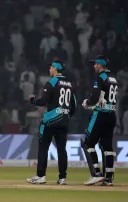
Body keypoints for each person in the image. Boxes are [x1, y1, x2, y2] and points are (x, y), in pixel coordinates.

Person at [26, 60, 76, 185]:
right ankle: (62, 177)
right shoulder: (69, 84)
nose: (49, 69)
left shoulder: (52, 82)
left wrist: (32, 100)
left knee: (43, 147)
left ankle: (41, 176)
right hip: (64, 120)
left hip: (50, 120)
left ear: (55, 69)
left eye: (51, 67)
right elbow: (73, 104)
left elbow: (43, 101)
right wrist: (67, 115)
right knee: (62, 150)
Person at [81, 55, 118, 186]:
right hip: (111, 115)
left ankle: (96, 174)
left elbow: (96, 97)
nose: (94, 66)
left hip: (101, 114)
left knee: (87, 143)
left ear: (100, 65)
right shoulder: (113, 79)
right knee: (107, 146)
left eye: (96, 64)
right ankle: (108, 178)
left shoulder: (101, 77)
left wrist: (87, 103)